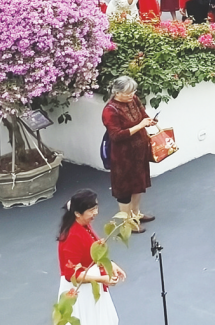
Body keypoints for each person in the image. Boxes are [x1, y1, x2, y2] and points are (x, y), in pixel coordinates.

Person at [57, 189, 124, 325]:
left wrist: (109, 264)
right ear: (77, 213)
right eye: (91, 210)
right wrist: (102, 278)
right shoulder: (72, 237)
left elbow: (92, 255)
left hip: (90, 286)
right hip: (81, 291)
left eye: (96, 208)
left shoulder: (84, 226)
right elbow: (72, 274)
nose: (95, 213)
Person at [101, 76, 156, 231]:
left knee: (139, 184)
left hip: (139, 152)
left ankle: (136, 214)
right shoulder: (110, 110)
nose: (131, 95)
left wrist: (149, 121)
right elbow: (116, 135)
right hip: (123, 156)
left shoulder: (134, 99)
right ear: (117, 93)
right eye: (127, 93)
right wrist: (140, 126)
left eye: (133, 92)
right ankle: (127, 224)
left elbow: (143, 114)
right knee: (124, 189)